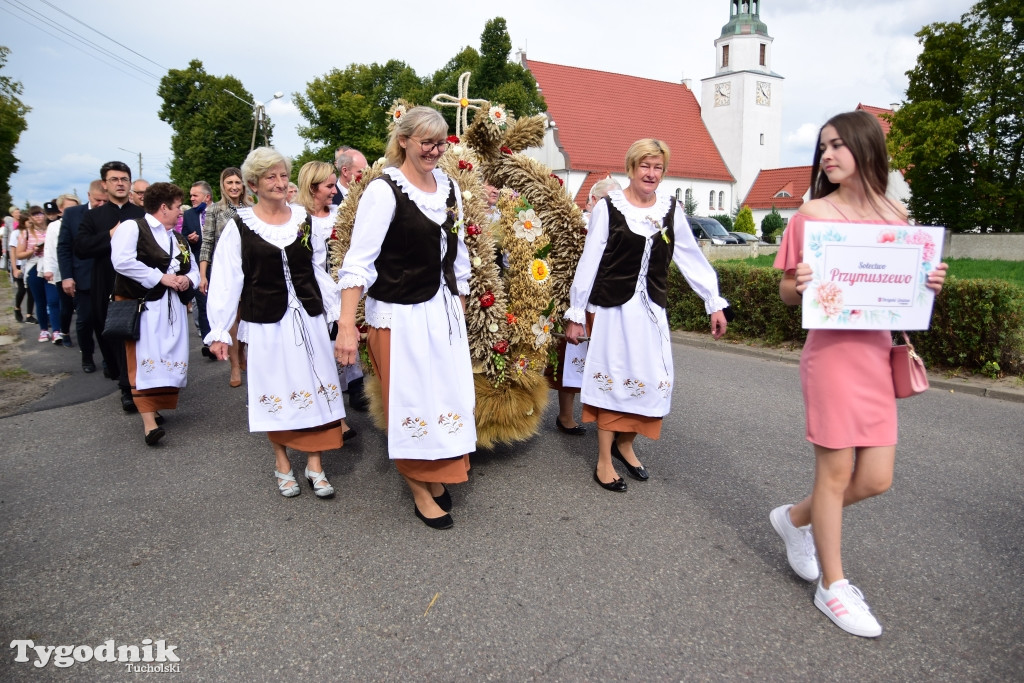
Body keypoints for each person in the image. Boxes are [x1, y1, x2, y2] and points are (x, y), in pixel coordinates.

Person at [770, 110, 948, 638]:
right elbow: (784, 290)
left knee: (876, 479)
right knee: (835, 474)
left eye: (839, 145)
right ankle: (834, 586)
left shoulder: (897, 215)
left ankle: (793, 519)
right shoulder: (812, 215)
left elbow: (907, 288)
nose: (827, 155)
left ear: (867, 149)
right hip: (829, 358)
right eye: (823, 146)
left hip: (874, 356)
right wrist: (797, 284)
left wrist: (929, 280)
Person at [337, 106, 476, 530]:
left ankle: (436, 473)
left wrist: (461, 301)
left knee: (447, 397)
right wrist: (346, 325)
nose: (435, 151)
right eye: (426, 142)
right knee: (412, 400)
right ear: (403, 141)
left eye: (441, 142)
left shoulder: (449, 187)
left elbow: (459, 254)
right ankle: (419, 487)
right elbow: (358, 262)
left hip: (443, 311)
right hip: (399, 314)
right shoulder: (384, 191)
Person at [565, 139, 729, 492]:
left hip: (651, 310)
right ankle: (604, 459)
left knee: (650, 378)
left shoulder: (671, 210)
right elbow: (589, 260)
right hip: (612, 310)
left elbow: (689, 256)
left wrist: (712, 301)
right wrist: (576, 312)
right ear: (631, 168)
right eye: (645, 166)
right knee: (612, 377)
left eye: (657, 167)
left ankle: (627, 445)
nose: (651, 174)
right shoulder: (608, 208)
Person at [206, 148, 345, 499]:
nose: (281, 183)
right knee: (275, 391)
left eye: (284, 175)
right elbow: (226, 280)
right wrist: (220, 330)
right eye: (271, 177)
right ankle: (282, 462)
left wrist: (340, 315)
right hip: (267, 322)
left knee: (318, 385)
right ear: (253, 184)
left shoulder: (304, 219)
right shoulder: (240, 226)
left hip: (309, 318)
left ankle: (315, 463)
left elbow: (317, 270)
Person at [110, 182, 198, 446]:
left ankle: (155, 408)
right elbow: (122, 261)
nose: (180, 213)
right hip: (144, 307)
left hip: (172, 310)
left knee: (167, 359)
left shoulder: (178, 238)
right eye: (177, 208)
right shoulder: (132, 227)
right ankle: (149, 424)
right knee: (144, 360)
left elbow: (192, 268)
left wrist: (187, 281)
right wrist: (161, 278)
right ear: (163, 207)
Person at [551, 176, 623, 435]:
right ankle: (566, 415)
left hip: (606, 300)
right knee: (572, 358)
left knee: (606, 363)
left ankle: (606, 417)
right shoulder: (577, 225)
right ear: (592, 200)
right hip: (576, 299)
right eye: (605, 200)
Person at [74, 161, 146, 412]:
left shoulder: (140, 214)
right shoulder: (93, 216)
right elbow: (81, 248)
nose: (120, 183)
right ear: (105, 184)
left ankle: (138, 386)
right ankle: (125, 387)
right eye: (114, 179)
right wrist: (110, 236)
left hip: (137, 285)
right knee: (113, 335)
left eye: (124, 179)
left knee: (137, 337)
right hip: (105, 283)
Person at [296, 160, 359, 441]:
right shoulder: (299, 218)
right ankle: (334, 419)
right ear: (313, 188)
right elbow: (308, 264)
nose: (335, 191)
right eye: (329, 186)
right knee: (320, 359)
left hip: (341, 292)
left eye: (335, 184)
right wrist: (332, 297)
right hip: (314, 297)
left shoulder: (339, 214)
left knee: (337, 356)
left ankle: (339, 414)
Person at [199, 167, 250, 380]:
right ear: (223, 185)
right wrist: (203, 275)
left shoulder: (251, 208)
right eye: (229, 183)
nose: (234, 187)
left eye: (238, 182)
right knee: (230, 319)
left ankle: (243, 354)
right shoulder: (214, 210)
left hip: (247, 268)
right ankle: (235, 366)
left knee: (245, 315)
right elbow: (207, 242)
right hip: (224, 271)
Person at [58, 180, 108, 372]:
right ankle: (87, 356)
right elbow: (64, 247)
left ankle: (108, 359)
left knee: (105, 322)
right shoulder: (72, 214)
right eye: (97, 200)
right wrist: (67, 276)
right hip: (82, 278)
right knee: (85, 320)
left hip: (105, 278)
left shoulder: (110, 213)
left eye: (105, 201)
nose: (101, 205)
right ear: (89, 196)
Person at [42, 193, 81, 347]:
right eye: (68, 208)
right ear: (60, 210)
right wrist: (49, 269)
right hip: (62, 271)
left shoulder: (83, 223)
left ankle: (85, 336)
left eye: (75, 207)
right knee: (66, 307)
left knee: (83, 307)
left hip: (81, 271)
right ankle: (64, 331)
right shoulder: (55, 226)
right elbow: (50, 249)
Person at [17, 206, 60, 342]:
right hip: (34, 267)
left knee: (53, 300)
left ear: (44, 215)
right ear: (30, 218)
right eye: (34, 215)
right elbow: (19, 254)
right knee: (40, 301)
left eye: (40, 214)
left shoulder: (51, 229)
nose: (38, 217)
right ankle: (43, 330)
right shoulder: (26, 233)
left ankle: (57, 330)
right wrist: (33, 250)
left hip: (51, 266)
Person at [181, 181, 212, 347]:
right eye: (191, 195)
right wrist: (189, 238)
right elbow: (182, 237)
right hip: (200, 265)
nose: (191, 198)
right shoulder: (189, 215)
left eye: (195, 195)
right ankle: (208, 342)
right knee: (203, 303)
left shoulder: (219, 211)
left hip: (220, 264)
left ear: (206, 197)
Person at [8, 206, 35, 324]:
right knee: (22, 289)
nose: (31, 223)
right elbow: (13, 252)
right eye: (29, 222)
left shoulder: (33, 232)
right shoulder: (16, 233)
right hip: (19, 265)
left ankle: (29, 314)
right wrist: (14, 268)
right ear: (24, 222)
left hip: (29, 264)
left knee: (31, 290)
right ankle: (17, 308)